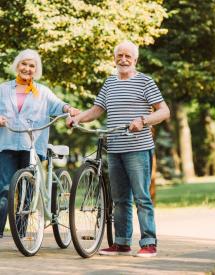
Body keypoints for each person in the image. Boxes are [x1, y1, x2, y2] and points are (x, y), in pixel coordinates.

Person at [68, 40, 170, 257]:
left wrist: (143, 120)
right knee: (120, 198)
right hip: (114, 148)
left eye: (128, 56)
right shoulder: (109, 83)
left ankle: (149, 243)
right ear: (114, 58)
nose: (123, 59)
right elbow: (96, 110)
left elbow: (164, 112)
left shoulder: (145, 82)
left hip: (138, 148)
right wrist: (76, 119)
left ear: (135, 59)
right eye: (120, 55)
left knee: (141, 197)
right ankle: (122, 243)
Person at [0, 49, 79, 238]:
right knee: (4, 188)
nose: (27, 68)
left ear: (36, 70)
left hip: (32, 147)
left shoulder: (43, 92)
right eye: (24, 64)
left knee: (27, 189)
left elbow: (60, 105)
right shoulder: (3, 89)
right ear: (17, 66)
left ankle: (21, 232)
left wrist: (70, 109)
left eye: (32, 65)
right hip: (7, 144)